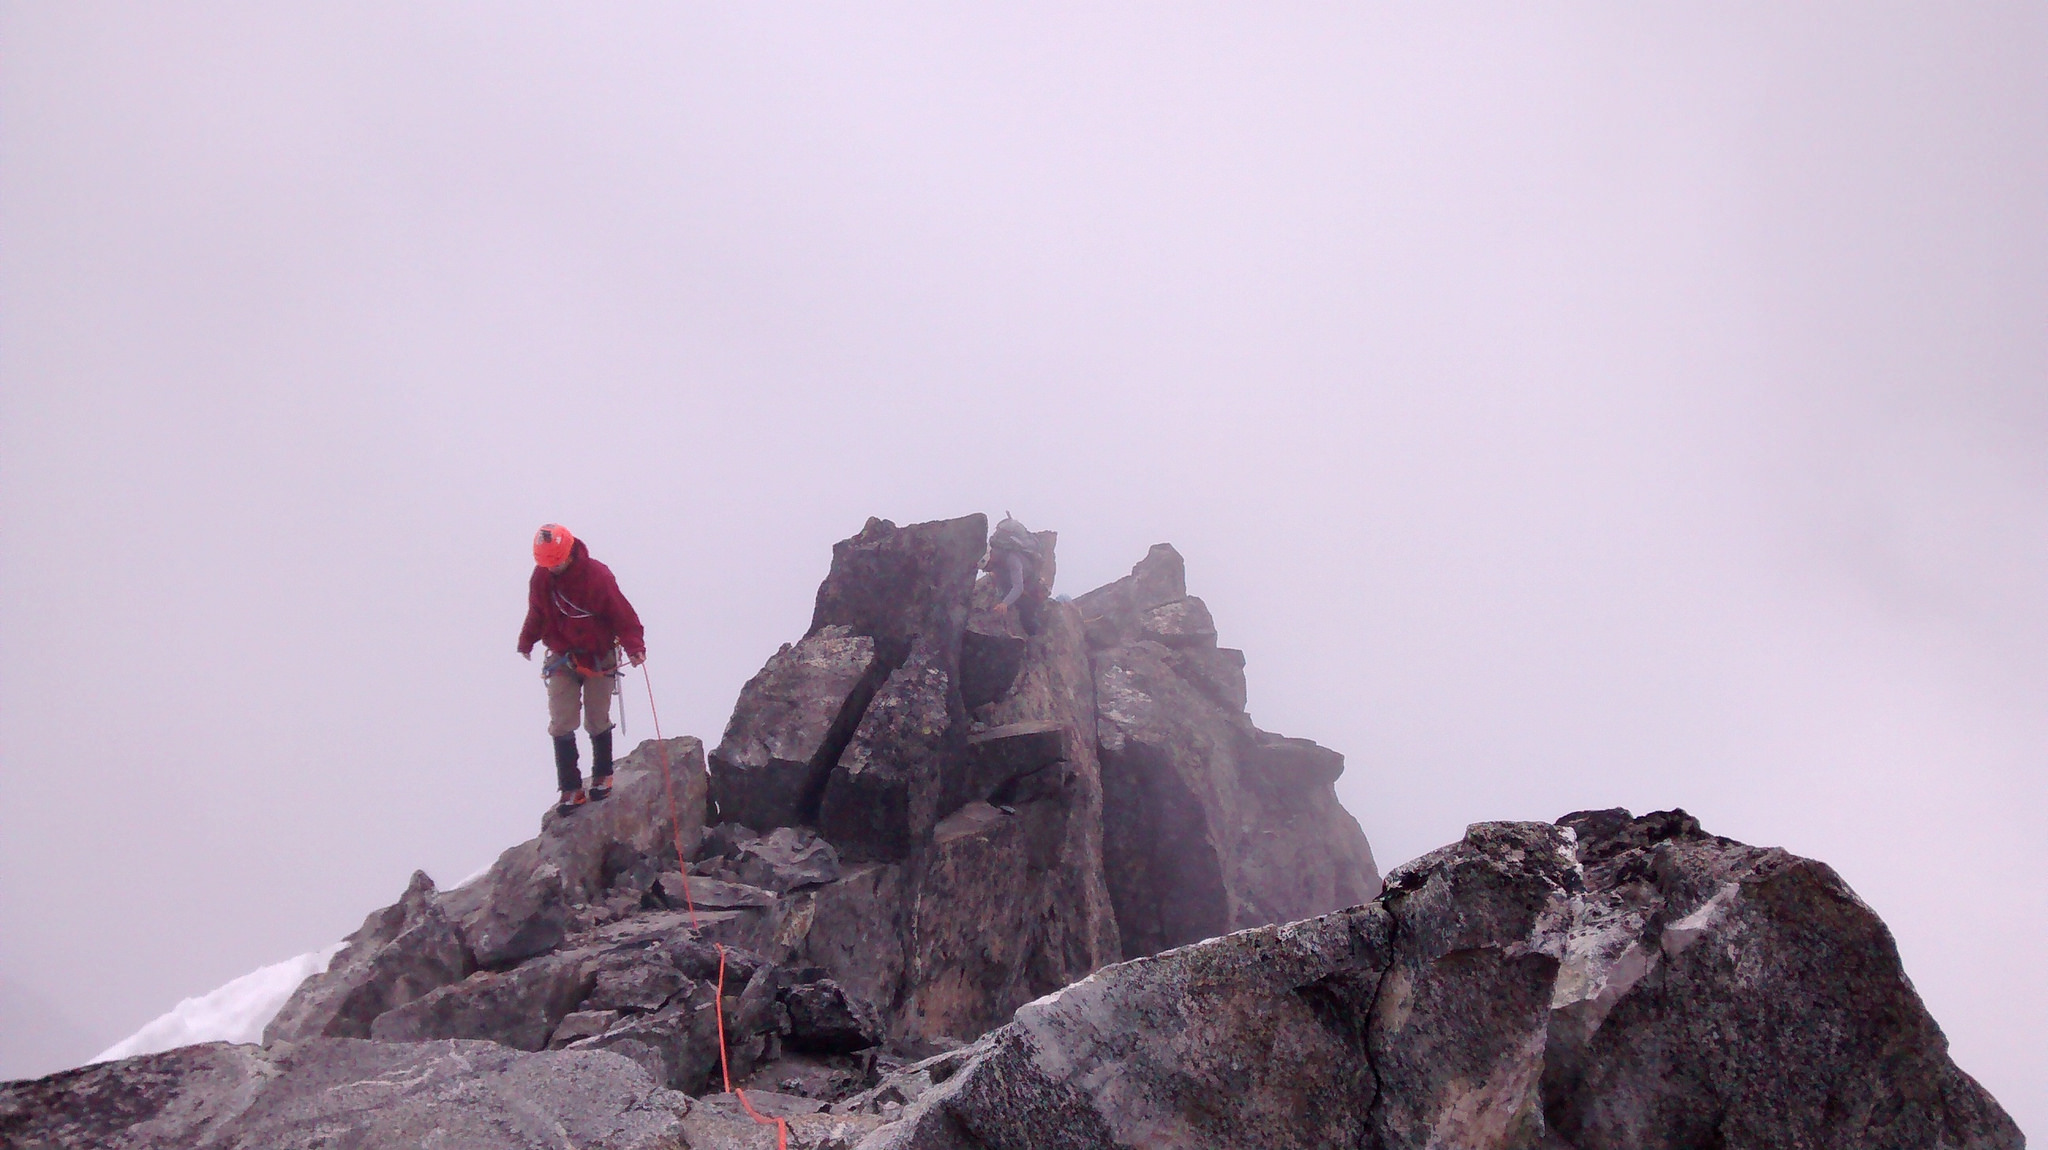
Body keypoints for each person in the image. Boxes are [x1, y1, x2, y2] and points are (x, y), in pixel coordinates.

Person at [517, 523, 646, 814]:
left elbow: (621, 613)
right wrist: (526, 640)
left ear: (569, 553)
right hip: (562, 656)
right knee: (561, 721)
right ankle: (570, 788)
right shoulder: (541, 578)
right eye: (548, 563)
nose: (553, 568)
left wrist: (634, 646)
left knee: (597, 717)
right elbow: (537, 613)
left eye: (556, 562)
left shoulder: (597, 576)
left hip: (598, 656)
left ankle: (602, 774)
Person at [985, 512, 1049, 632]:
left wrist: (1005, 603)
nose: (988, 569)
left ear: (991, 557)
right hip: (1012, 580)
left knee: (1027, 615)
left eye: (988, 566)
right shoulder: (997, 555)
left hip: (1028, 584)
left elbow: (1018, 587)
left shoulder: (1012, 560)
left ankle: (1036, 633)